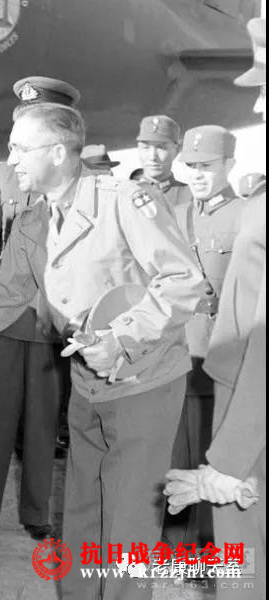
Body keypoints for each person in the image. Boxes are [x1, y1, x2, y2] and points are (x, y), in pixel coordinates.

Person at [0, 103, 203, 600]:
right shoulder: (34, 220)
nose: (12, 159)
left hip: (143, 383)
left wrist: (121, 337)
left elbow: (184, 281)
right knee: (81, 515)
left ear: (58, 152)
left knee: (127, 525)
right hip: (86, 382)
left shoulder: (125, 200)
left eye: (20, 148)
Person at [0, 77, 79, 542]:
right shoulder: (1, 175)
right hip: (5, 320)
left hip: (51, 322)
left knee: (43, 424)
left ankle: (36, 514)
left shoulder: (82, 180)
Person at [167, 18, 266, 599]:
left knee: (244, 571)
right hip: (199, 362)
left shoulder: (250, 207)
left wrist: (228, 460)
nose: (258, 101)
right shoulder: (184, 209)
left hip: (242, 398)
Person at [162, 125, 244, 548]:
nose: (197, 174)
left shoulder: (247, 216)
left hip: (219, 357)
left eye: (206, 166)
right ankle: (173, 545)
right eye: (191, 166)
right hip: (175, 355)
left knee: (211, 457)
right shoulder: (176, 215)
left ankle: (207, 550)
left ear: (230, 164)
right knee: (174, 455)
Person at [136, 114, 192, 210]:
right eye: (146, 147)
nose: (152, 157)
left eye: (161, 147)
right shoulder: (126, 194)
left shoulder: (190, 197)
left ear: (176, 150)